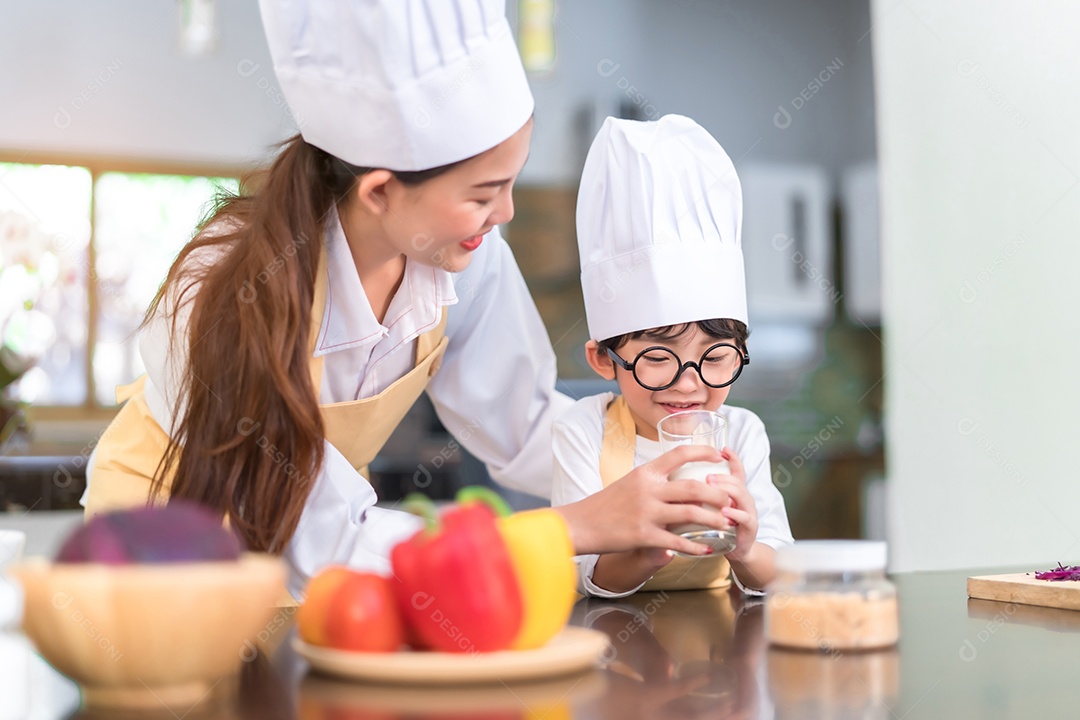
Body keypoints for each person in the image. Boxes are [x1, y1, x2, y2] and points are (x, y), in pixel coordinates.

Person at [80, 0, 733, 598]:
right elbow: (324, 536)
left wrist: (665, 473)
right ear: (380, 192)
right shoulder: (225, 290)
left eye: (510, 184)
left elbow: (529, 423)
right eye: (481, 194)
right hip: (156, 563)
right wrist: (577, 526)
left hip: (322, 571)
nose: (503, 214)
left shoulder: (460, 260)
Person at [551, 115, 794, 598]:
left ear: (741, 353)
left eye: (716, 356)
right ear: (604, 359)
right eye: (659, 359)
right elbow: (578, 575)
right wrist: (646, 550)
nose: (689, 385)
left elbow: (780, 569)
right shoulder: (582, 430)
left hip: (720, 653)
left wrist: (746, 549)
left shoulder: (742, 433)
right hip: (616, 653)